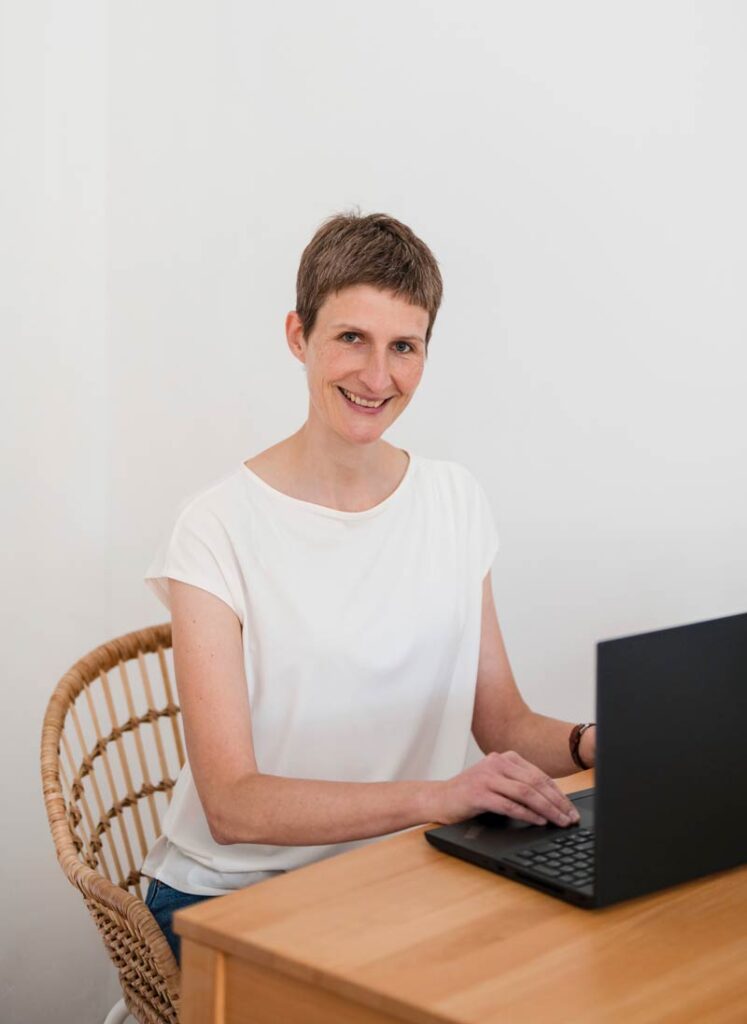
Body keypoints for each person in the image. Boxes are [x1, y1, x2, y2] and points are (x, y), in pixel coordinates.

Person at [141, 211, 597, 963]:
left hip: (401, 876)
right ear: (298, 336)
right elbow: (232, 804)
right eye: (352, 337)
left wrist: (593, 743)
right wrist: (437, 797)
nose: (378, 377)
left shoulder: (454, 500)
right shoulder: (214, 527)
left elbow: (503, 723)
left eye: (403, 347)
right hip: (230, 896)